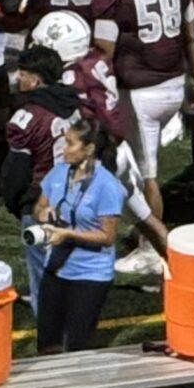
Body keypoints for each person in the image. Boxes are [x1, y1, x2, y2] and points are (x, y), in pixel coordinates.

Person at [32, 112, 126, 352]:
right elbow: (39, 205)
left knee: (77, 347)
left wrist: (70, 235)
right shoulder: (59, 172)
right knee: (47, 343)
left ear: (89, 149)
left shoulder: (107, 186)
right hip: (55, 268)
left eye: (71, 144)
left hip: (89, 275)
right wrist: (43, 213)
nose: (65, 149)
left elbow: (108, 237)